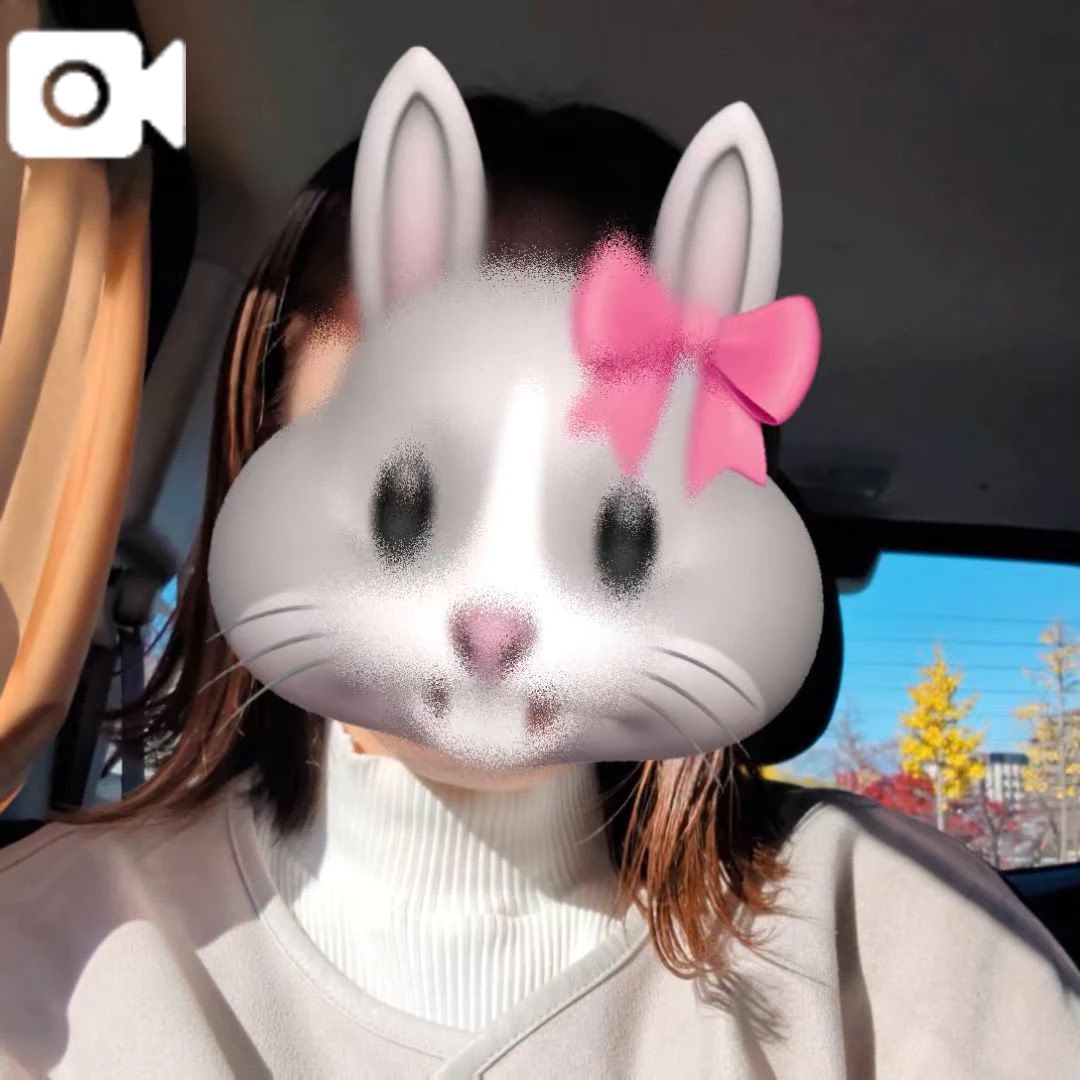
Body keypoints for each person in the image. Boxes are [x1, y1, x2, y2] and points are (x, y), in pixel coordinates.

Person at [1, 53, 1077, 1079]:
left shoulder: (908, 943)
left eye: (605, 515)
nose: (496, 607)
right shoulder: (47, 950)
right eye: (411, 495)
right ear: (265, 445)